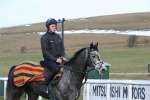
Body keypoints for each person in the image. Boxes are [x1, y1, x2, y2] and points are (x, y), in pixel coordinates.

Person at [40, 18, 65, 99]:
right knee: (56, 69)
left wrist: (62, 56)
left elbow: (62, 49)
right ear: (48, 27)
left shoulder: (58, 37)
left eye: (55, 26)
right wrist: (55, 59)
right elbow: (45, 52)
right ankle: (45, 86)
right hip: (49, 61)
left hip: (59, 59)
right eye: (52, 26)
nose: (54, 27)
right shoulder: (44, 37)